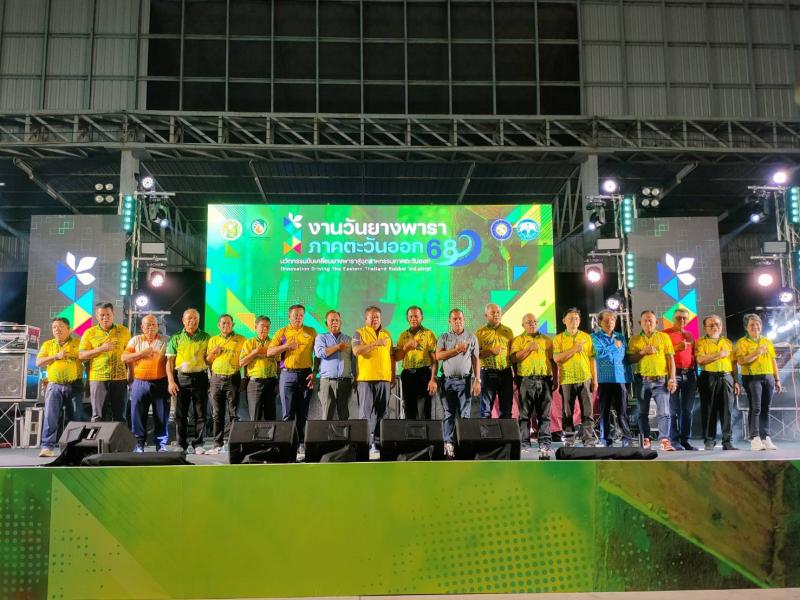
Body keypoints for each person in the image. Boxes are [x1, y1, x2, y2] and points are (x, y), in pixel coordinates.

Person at [628, 310, 678, 451]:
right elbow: (629, 359)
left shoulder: (664, 337)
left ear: (656, 322)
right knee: (642, 412)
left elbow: (670, 360)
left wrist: (672, 379)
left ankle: (664, 440)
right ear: (640, 323)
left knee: (664, 412)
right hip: (641, 380)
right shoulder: (634, 340)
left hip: (661, 380)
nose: (648, 323)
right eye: (645, 320)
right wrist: (643, 352)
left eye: (651, 320)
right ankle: (646, 439)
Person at [268, 304, 316, 447]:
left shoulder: (311, 331)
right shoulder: (282, 332)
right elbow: (270, 352)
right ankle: (287, 444)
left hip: (306, 375)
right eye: (295, 315)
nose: (298, 317)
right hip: (287, 375)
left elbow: (318, 354)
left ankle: (301, 443)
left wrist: (315, 372)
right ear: (289, 316)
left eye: (301, 315)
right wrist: (286, 346)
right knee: (287, 413)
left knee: (303, 413)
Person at [435, 309, 481, 459]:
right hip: (447, 381)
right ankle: (448, 444)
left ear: (464, 319)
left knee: (464, 415)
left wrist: (477, 379)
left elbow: (475, 359)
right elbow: (438, 356)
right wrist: (457, 349)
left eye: (460, 318)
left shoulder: (471, 337)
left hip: (465, 381)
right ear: (449, 321)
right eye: (454, 319)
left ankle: (463, 443)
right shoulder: (444, 337)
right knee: (448, 414)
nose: (458, 321)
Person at [121, 314, 169, 452]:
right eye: (148, 325)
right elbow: (124, 358)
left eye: (154, 325)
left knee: (161, 415)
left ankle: (161, 445)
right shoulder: (135, 340)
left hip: (160, 382)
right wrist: (142, 354)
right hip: (139, 383)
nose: (151, 328)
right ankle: (138, 444)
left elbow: (170, 362)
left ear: (158, 326)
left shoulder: (166, 340)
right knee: (137, 415)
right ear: (142, 327)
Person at [37, 317, 84, 458]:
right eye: (54, 327)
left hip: (74, 385)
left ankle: (74, 448)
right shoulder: (48, 344)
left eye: (61, 327)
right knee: (50, 417)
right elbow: (39, 362)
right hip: (54, 386)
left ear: (69, 329)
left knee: (75, 418)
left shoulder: (78, 343)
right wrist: (56, 356)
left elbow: (86, 360)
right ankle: (47, 447)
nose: (57, 329)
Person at [166, 308, 210, 454]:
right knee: (180, 414)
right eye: (189, 318)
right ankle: (181, 444)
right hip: (181, 379)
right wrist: (171, 381)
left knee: (200, 414)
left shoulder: (206, 337)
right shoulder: (176, 337)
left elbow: (210, 360)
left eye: (195, 318)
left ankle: (198, 444)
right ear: (183, 320)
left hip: (201, 378)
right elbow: (169, 362)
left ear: (199, 320)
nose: (192, 321)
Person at [510, 313, 556, 455]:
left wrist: (556, 378)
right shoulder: (518, 340)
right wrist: (528, 348)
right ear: (523, 325)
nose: (532, 324)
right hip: (526, 380)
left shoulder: (547, 340)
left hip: (545, 379)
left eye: (535, 321)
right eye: (529, 322)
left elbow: (552, 360)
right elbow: (514, 359)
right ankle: (524, 443)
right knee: (524, 415)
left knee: (544, 414)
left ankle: (545, 443)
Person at [735, 313, 781, 451]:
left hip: (768, 377)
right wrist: (757, 352)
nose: (755, 327)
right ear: (746, 327)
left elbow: (773, 360)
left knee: (766, 408)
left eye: (758, 324)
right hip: (752, 378)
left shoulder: (767, 341)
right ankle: (755, 438)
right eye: (752, 325)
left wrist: (777, 379)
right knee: (756, 408)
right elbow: (741, 361)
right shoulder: (742, 342)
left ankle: (765, 437)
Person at [78, 302, 131, 422]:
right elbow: (81, 355)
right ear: (97, 316)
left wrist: (130, 374)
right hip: (98, 378)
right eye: (102, 315)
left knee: (120, 416)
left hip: (120, 378)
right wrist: (101, 349)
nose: (105, 318)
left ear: (113, 314)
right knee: (98, 417)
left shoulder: (124, 331)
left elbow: (128, 355)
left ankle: (118, 435)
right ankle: (98, 435)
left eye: (108, 314)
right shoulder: (89, 333)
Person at [553, 308, 597, 446]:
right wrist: (574, 349)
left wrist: (595, 379)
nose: (574, 321)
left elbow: (592, 359)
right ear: (564, 321)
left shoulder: (586, 337)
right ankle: (569, 439)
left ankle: (588, 439)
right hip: (567, 379)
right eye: (571, 318)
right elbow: (557, 358)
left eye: (577, 318)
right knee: (567, 412)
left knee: (587, 412)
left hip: (585, 378)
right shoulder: (558, 338)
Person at [352, 305, 394, 452]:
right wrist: (375, 343)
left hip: (384, 379)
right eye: (372, 317)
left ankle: (378, 443)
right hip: (366, 379)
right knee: (365, 414)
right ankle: (364, 444)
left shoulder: (387, 334)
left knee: (383, 413)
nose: (375, 319)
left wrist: (392, 376)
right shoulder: (359, 333)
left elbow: (391, 356)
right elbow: (356, 350)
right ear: (366, 319)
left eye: (377, 317)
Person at [695, 314, 739, 451]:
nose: (715, 327)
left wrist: (736, 381)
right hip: (708, 377)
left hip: (727, 377)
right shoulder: (700, 342)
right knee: (709, 410)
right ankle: (709, 440)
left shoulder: (728, 343)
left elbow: (733, 364)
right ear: (705, 328)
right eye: (711, 325)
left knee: (727, 411)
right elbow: (700, 360)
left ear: (721, 326)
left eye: (717, 324)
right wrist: (719, 355)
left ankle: (727, 441)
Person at [205, 314, 246, 454]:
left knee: (233, 412)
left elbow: (246, 360)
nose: (226, 325)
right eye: (223, 323)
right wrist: (214, 352)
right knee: (217, 413)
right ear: (218, 325)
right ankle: (217, 443)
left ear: (232, 325)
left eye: (228, 323)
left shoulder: (241, 339)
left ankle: (233, 442)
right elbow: (208, 361)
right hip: (216, 379)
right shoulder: (213, 340)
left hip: (233, 378)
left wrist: (244, 378)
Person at [591, 309, 632, 447]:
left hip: (620, 378)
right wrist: (613, 346)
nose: (610, 323)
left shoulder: (620, 337)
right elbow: (599, 354)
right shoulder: (595, 337)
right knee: (605, 411)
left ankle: (627, 439)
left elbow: (624, 357)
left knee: (622, 411)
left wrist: (629, 376)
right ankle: (605, 440)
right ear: (600, 322)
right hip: (604, 379)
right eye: (607, 320)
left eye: (613, 320)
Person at [394, 305, 438, 420]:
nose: (413, 319)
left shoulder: (429, 334)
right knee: (409, 409)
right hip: (407, 375)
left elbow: (434, 359)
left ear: (421, 317)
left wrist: (433, 379)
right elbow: (397, 357)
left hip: (424, 374)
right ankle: (411, 431)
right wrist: (406, 347)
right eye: (411, 316)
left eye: (416, 316)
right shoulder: (403, 335)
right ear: (407, 318)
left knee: (425, 410)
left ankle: (426, 431)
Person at [663, 308, 697, 450]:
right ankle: (674, 440)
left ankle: (685, 440)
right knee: (673, 409)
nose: (682, 320)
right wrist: (677, 347)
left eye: (685, 318)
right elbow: (662, 354)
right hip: (673, 373)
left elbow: (693, 355)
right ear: (673, 319)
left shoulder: (690, 335)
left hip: (689, 373)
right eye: (679, 318)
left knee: (687, 410)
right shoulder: (665, 334)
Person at [475, 303, 514, 418]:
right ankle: (486, 430)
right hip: (488, 373)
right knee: (486, 411)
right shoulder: (480, 332)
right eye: (493, 313)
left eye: (498, 312)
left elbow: (513, 354)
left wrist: (515, 374)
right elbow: (475, 355)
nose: (496, 315)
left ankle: (505, 431)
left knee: (506, 411)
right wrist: (490, 351)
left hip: (506, 372)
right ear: (486, 315)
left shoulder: (508, 331)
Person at [314, 310, 354, 420]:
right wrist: (337, 347)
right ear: (326, 323)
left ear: (340, 322)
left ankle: (344, 432)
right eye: (331, 320)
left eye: (337, 320)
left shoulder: (349, 339)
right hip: (327, 382)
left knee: (344, 415)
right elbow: (319, 353)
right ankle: (326, 432)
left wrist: (356, 376)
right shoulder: (321, 337)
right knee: (327, 415)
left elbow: (354, 359)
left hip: (345, 381)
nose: (334, 322)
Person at [239, 316, 279, 420]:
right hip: (255, 383)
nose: (265, 328)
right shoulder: (249, 343)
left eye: (267, 326)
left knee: (271, 417)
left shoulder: (274, 343)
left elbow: (279, 363)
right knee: (255, 417)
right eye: (262, 326)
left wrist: (278, 383)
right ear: (255, 327)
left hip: (271, 382)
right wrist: (255, 352)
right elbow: (241, 362)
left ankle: (270, 432)